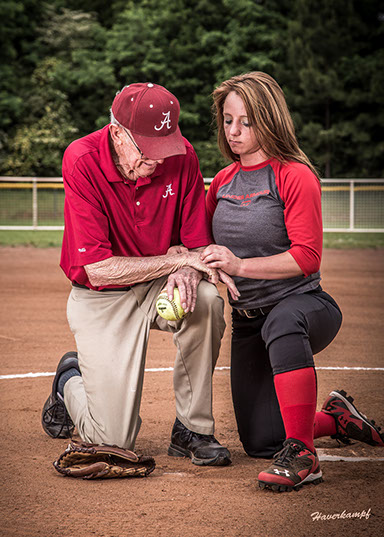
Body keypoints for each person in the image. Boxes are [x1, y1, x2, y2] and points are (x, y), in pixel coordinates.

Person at [201, 72, 384, 490]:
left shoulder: (294, 174)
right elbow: (203, 240)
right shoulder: (224, 181)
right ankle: (337, 419)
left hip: (304, 308)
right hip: (250, 320)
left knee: (282, 320)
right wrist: (204, 261)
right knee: (260, 440)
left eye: (246, 121)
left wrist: (240, 265)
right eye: (228, 120)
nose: (234, 131)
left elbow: (307, 256)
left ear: (269, 119)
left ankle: (304, 455)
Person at [41, 82, 237, 467]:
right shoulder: (81, 159)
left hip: (157, 285)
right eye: (147, 152)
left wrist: (188, 269)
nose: (158, 162)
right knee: (112, 440)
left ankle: (192, 428)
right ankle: (69, 383)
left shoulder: (183, 157)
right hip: (102, 295)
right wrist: (175, 262)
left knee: (208, 303)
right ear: (117, 134)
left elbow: (196, 249)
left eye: (165, 149)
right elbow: (98, 268)